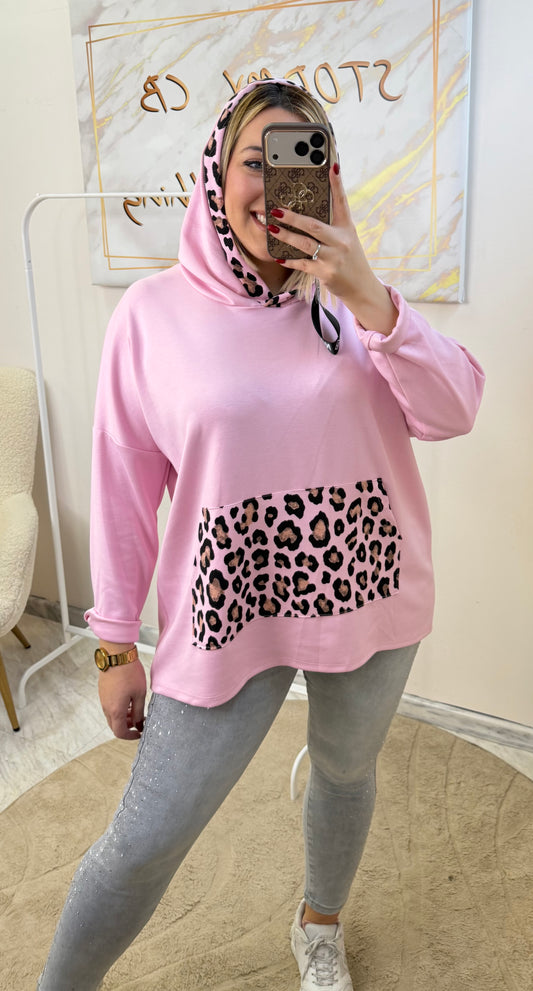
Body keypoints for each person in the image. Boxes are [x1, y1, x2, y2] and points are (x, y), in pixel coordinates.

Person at [37, 78, 484, 991]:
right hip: (227, 609)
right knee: (143, 839)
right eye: (256, 160)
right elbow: (123, 487)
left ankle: (318, 922)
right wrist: (113, 643)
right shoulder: (151, 315)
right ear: (215, 172)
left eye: (303, 161)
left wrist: (369, 296)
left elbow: (454, 410)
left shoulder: (358, 306)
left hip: (370, 591)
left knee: (345, 770)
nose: (275, 186)